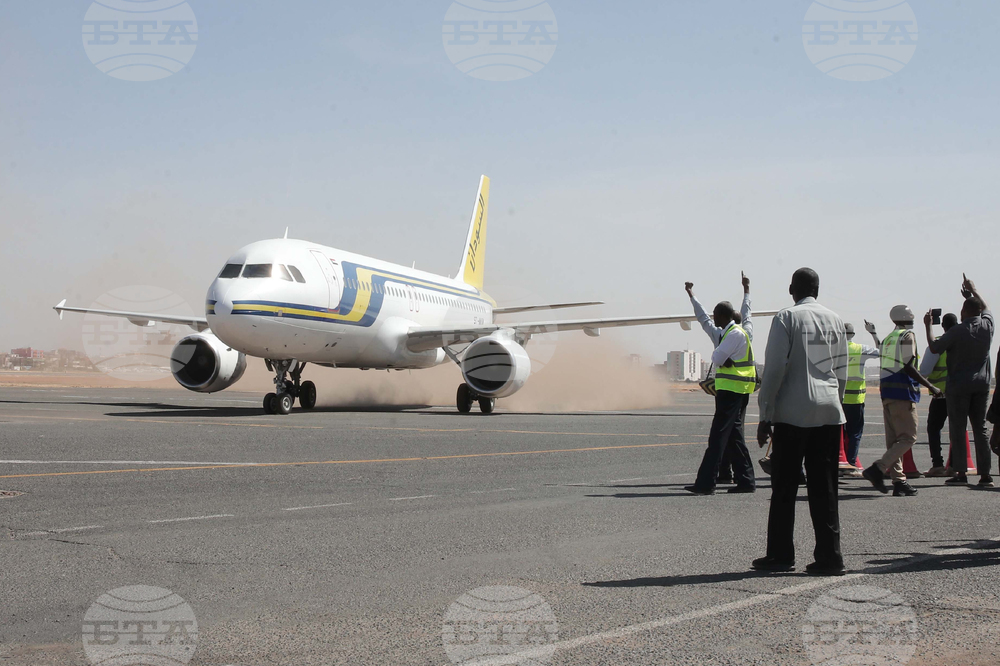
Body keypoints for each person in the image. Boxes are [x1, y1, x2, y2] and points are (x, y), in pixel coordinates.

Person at [752, 268, 848, 576]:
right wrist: (835, 401)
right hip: (829, 412)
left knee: (784, 488)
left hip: (794, 414)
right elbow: (840, 370)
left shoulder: (787, 318)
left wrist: (765, 413)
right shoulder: (834, 319)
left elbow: (776, 368)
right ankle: (830, 558)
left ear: (793, 288)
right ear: (817, 289)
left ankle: (781, 555)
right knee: (825, 488)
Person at [683, 273, 757, 495]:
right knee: (734, 436)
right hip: (737, 390)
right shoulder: (744, 332)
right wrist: (746, 290)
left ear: (723, 316)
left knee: (718, 437)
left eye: (716, 315)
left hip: (731, 392)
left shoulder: (729, 335)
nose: (713, 318)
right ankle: (744, 480)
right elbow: (748, 314)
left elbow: (715, 354)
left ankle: (707, 482)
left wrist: (691, 295)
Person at [862, 306, 943, 497]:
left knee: (894, 441)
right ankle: (878, 468)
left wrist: (873, 333)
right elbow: (908, 365)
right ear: (909, 318)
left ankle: (899, 482)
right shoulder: (907, 336)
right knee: (908, 437)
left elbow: (883, 353)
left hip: (887, 393)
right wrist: (931, 386)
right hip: (903, 393)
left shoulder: (890, 338)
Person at [927, 276, 994, 488]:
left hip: (958, 385)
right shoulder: (987, 326)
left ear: (963, 312)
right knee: (980, 429)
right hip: (982, 384)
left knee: (958, 427)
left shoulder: (957, 330)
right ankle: (985, 475)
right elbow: (985, 307)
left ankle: (961, 472)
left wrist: (928, 326)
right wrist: (973, 289)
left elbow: (934, 348)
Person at [919, 312, 959, 477]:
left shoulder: (938, 345)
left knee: (934, 428)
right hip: (960, 393)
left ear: (943, 326)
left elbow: (924, 371)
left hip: (941, 395)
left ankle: (938, 464)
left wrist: (927, 326)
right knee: (957, 429)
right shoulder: (964, 342)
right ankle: (956, 466)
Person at [842, 323, 879, 478]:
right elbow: (882, 352)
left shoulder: (833, 349)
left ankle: (840, 462)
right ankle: (850, 463)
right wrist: (873, 333)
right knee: (855, 433)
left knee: (839, 434)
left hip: (838, 399)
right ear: (853, 334)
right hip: (856, 399)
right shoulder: (860, 349)